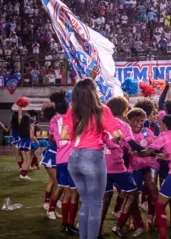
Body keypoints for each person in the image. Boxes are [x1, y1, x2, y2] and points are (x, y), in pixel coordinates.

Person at [61, 78, 122, 239]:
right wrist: (103, 136)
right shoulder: (102, 109)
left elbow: (64, 135)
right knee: (95, 203)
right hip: (93, 157)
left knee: (86, 202)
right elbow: (117, 135)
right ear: (93, 92)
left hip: (74, 158)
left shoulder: (72, 111)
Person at [101, 96, 144, 239]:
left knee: (106, 197)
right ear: (123, 110)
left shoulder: (102, 122)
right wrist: (153, 152)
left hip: (101, 165)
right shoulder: (124, 125)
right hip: (116, 166)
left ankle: (97, 231)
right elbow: (133, 144)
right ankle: (118, 226)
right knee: (133, 192)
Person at [48, 91, 79, 236]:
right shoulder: (71, 116)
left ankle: (64, 225)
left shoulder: (53, 120)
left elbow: (51, 137)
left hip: (59, 159)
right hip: (72, 159)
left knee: (66, 193)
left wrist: (61, 142)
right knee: (74, 193)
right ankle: (70, 224)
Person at [40, 103, 61, 219]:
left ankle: (48, 203)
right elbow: (51, 137)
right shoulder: (55, 121)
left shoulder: (55, 120)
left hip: (54, 155)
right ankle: (50, 209)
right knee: (59, 184)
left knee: (53, 182)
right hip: (52, 155)